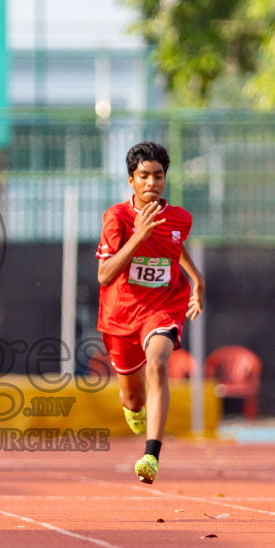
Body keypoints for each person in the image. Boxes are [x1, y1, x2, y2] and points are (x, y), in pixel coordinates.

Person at [95, 140, 205, 485]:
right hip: (120, 315)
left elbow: (175, 246)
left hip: (164, 305)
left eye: (158, 176)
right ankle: (133, 407)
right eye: (144, 176)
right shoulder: (117, 218)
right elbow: (104, 274)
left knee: (158, 364)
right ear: (131, 180)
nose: (152, 183)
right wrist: (138, 236)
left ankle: (151, 454)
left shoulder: (180, 218)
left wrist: (196, 279)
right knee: (133, 394)